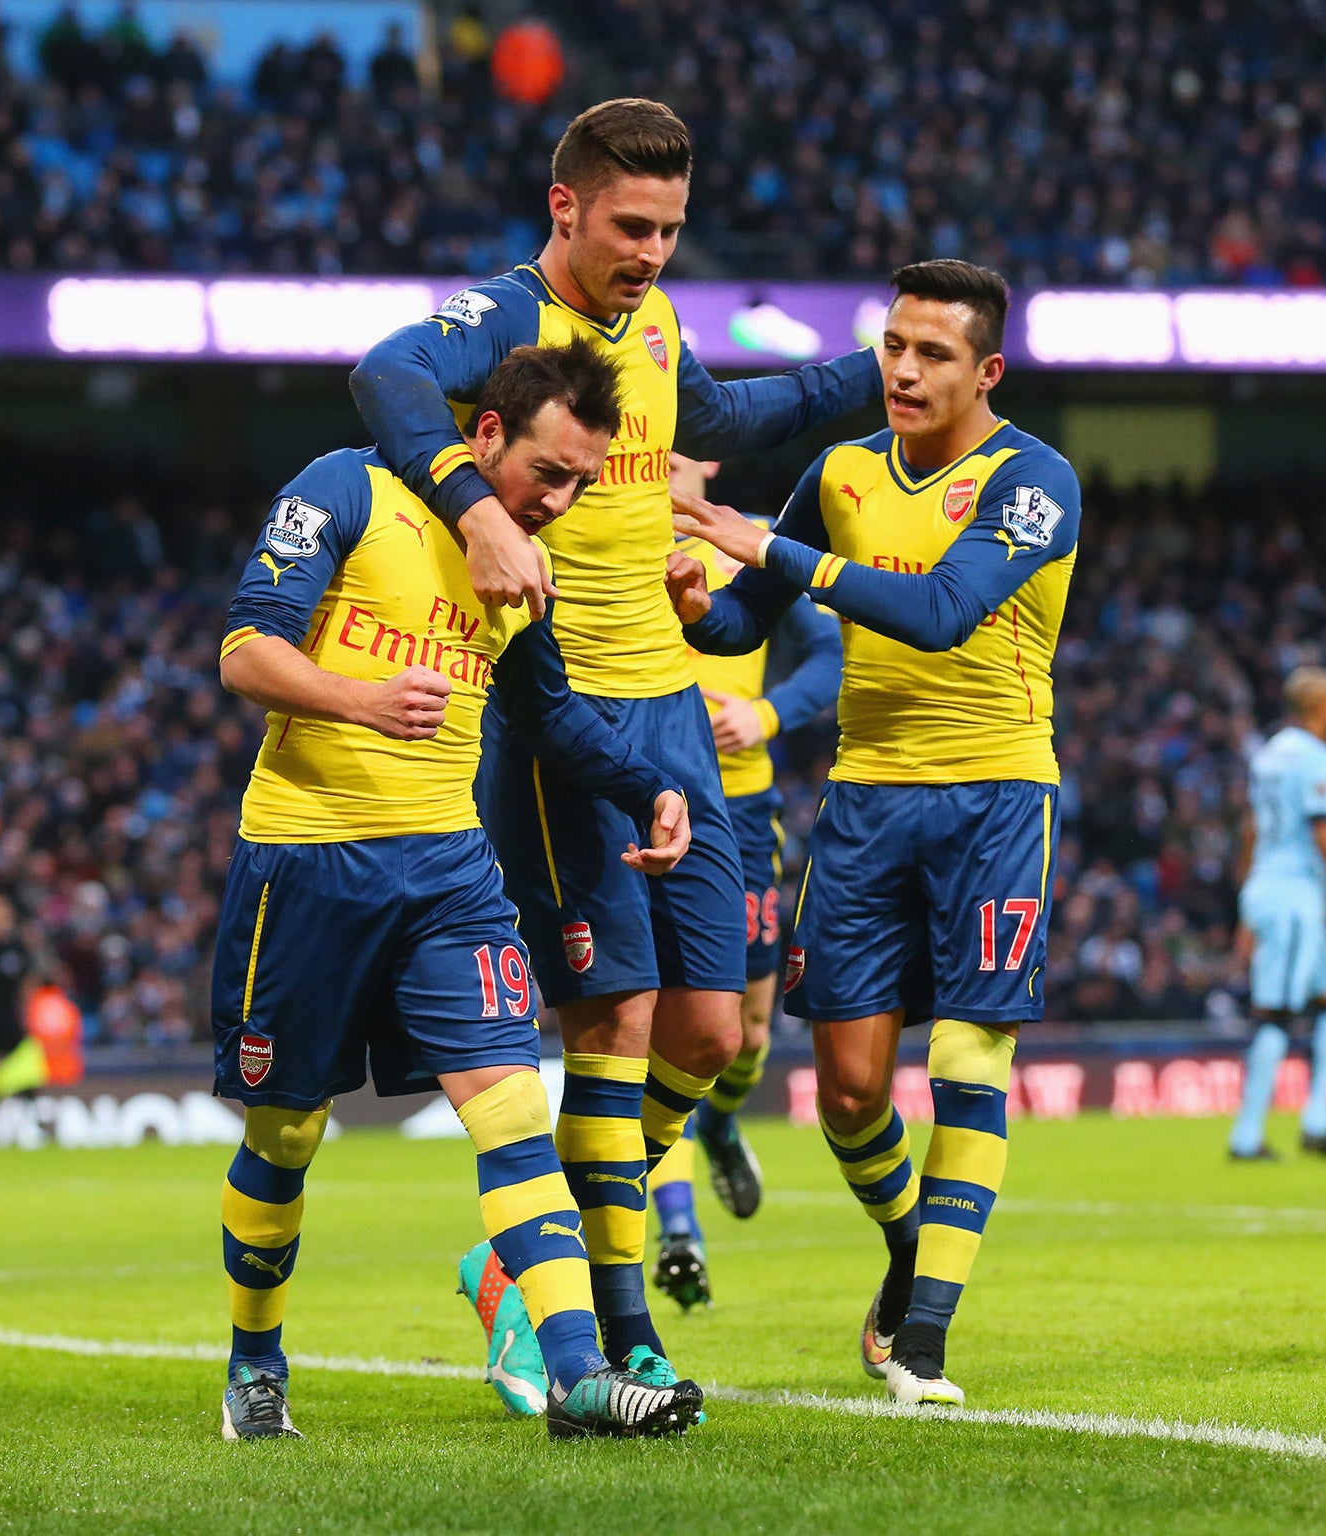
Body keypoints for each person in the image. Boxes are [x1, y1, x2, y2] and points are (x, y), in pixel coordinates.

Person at [348, 97, 879, 1394]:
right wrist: (473, 508)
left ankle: (524, 1262)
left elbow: (720, 418)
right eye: (630, 225)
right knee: (615, 1018)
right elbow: (383, 374)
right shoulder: (512, 316)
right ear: (565, 206)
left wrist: (886, 367)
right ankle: (616, 1320)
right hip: (561, 715)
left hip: (677, 709)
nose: (650, 251)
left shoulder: (658, 320)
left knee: (706, 1038)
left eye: (672, 230)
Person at [210, 338, 701, 1443]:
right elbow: (245, 653)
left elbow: (553, 715)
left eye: (582, 482)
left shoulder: (526, 570)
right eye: (548, 475)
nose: (562, 502)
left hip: (445, 873)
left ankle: (576, 1378)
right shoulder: (348, 489)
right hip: (306, 864)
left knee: (517, 1108)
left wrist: (646, 787)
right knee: (285, 1136)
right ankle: (254, 1363)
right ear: (484, 439)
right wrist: (361, 698)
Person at [668, 259, 1078, 1407]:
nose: (901, 369)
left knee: (962, 1059)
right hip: (863, 806)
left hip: (995, 798)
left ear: (985, 369)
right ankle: (910, 1251)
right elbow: (752, 615)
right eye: (892, 345)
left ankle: (927, 1341)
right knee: (849, 1093)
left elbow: (941, 613)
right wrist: (701, 603)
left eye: (931, 352)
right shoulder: (840, 472)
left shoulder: (1035, 481)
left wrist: (761, 549)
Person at [647, 454, 843, 1310]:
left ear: (708, 465)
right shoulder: (612, 544)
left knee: (747, 1033)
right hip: (647, 808)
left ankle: (721, 1126)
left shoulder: (754, 546)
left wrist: (762, 714)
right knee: (665, 1027)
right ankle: (677, 1226)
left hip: (744, 813)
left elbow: (830, 659)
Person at [1226, 668, 1326, 1163]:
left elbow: (1252, 828)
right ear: (1318, 705)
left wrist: (1245, 906)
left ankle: (1317, 1122)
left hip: (1269, 891)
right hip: (1294, 896)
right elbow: (1325, 836)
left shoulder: (1268, 754)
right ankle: (1246, 1137)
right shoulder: (1318, 758)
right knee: (1276, 1013)